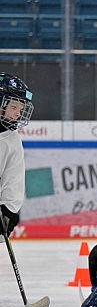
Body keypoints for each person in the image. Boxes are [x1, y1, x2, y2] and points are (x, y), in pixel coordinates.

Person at [0, 73, 33, 237]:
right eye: (13, 107)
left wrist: (8, 210)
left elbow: (13, 179)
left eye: (20, 109)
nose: (17, 114)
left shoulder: (11, 141)